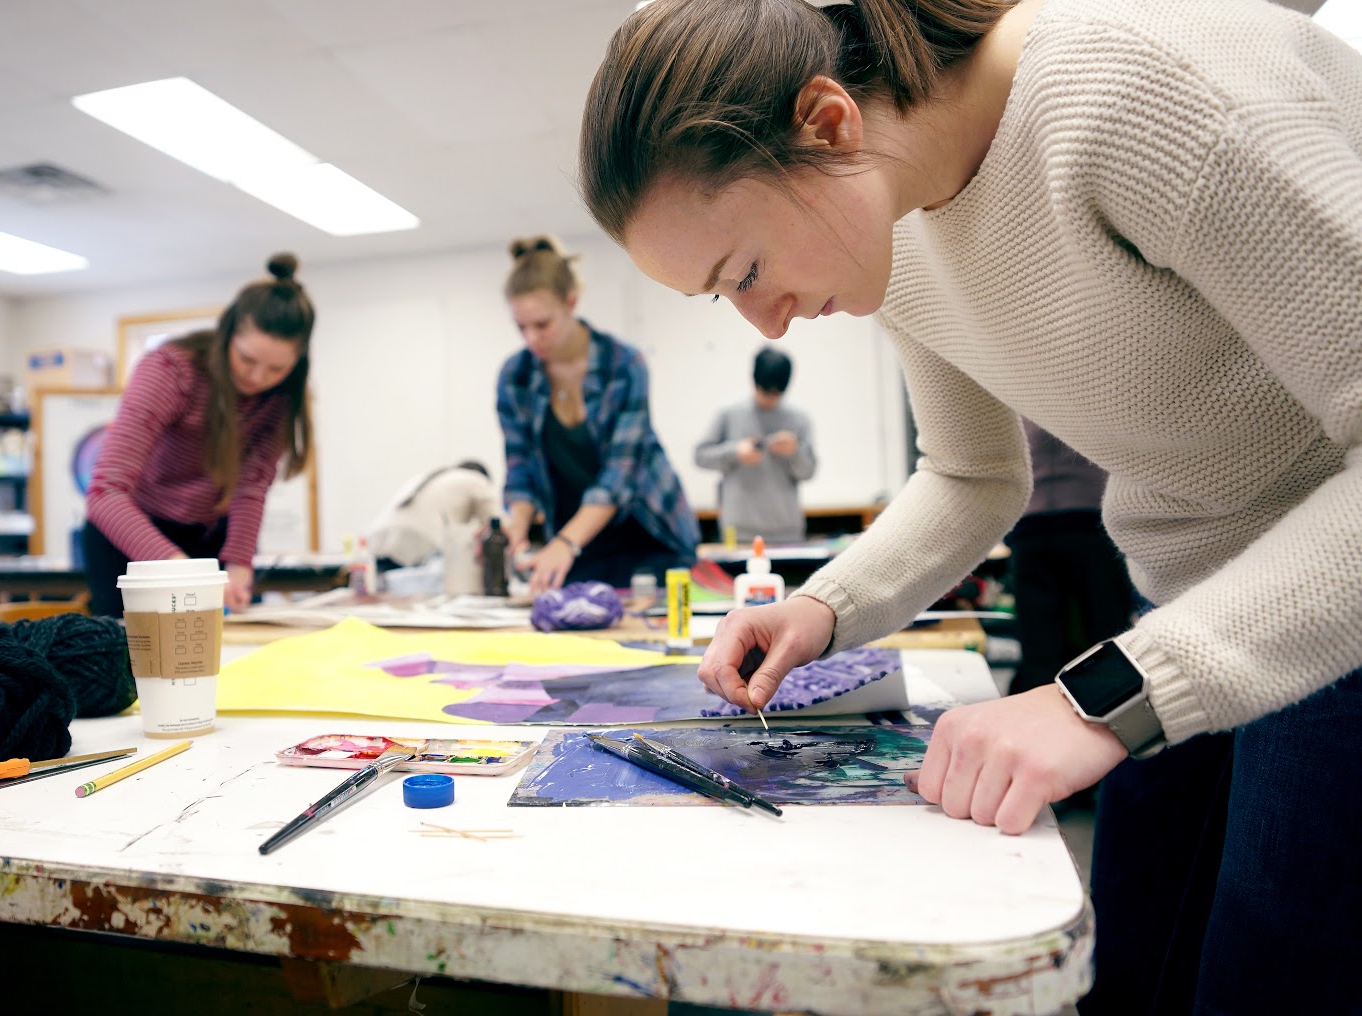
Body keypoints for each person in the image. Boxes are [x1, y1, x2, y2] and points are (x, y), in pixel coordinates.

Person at [578, 0, 1362, 1011]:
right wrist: (824, 606)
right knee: (1126, 965)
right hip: (1197, 603)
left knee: (1268, 978)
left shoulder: (1142, 90)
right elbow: (969, 472)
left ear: (827, 122)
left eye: (747, 271)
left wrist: (1114, 692)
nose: (763, 320)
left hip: (1333, 609)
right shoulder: (896, 223)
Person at [83, 253, 314, 617]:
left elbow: (251, 487)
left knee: (222, 652)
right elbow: (104, 494)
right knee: (130, 662)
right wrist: (181, 569)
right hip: (132, 534)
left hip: (207, 536)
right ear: (227, 335)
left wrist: (239, 566)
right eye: (247, 359)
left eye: (276, 368)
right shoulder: (171, 371)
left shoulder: (281, 397)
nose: (257, 378)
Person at [496, 235, 699, 592]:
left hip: (648, 533)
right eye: (521, 328)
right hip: (581, 542)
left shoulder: (623, 364)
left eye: (542, 325)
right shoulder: (515, 378)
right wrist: (517, 528)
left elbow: (618, 476)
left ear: (571, 303)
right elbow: (521, 468)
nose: (531, 339)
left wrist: (565, 543)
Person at [1007, 419, 1134, 694]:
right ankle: (1112, 713)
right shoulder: (1088, 394)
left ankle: (1037, 720)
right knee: (1107, 634)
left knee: (1039, 645)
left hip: (1032, 524)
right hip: (1089, 520)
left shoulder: (1017, 395)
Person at [694, 347, 817, 544]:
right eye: (765, 392)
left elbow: (809, 472)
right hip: (739, 532)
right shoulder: (729, 412)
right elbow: (700, 456)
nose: (770, 399)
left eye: (777, 394)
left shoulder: (799, 418)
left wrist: (795, 452)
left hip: (786, 532)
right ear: (754, 381)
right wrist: (735, 452)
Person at [367, 460, 501, 569]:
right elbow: (498, 524)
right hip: (418, 541)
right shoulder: (477, 480)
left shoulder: (431, 477)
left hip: (376, 540)